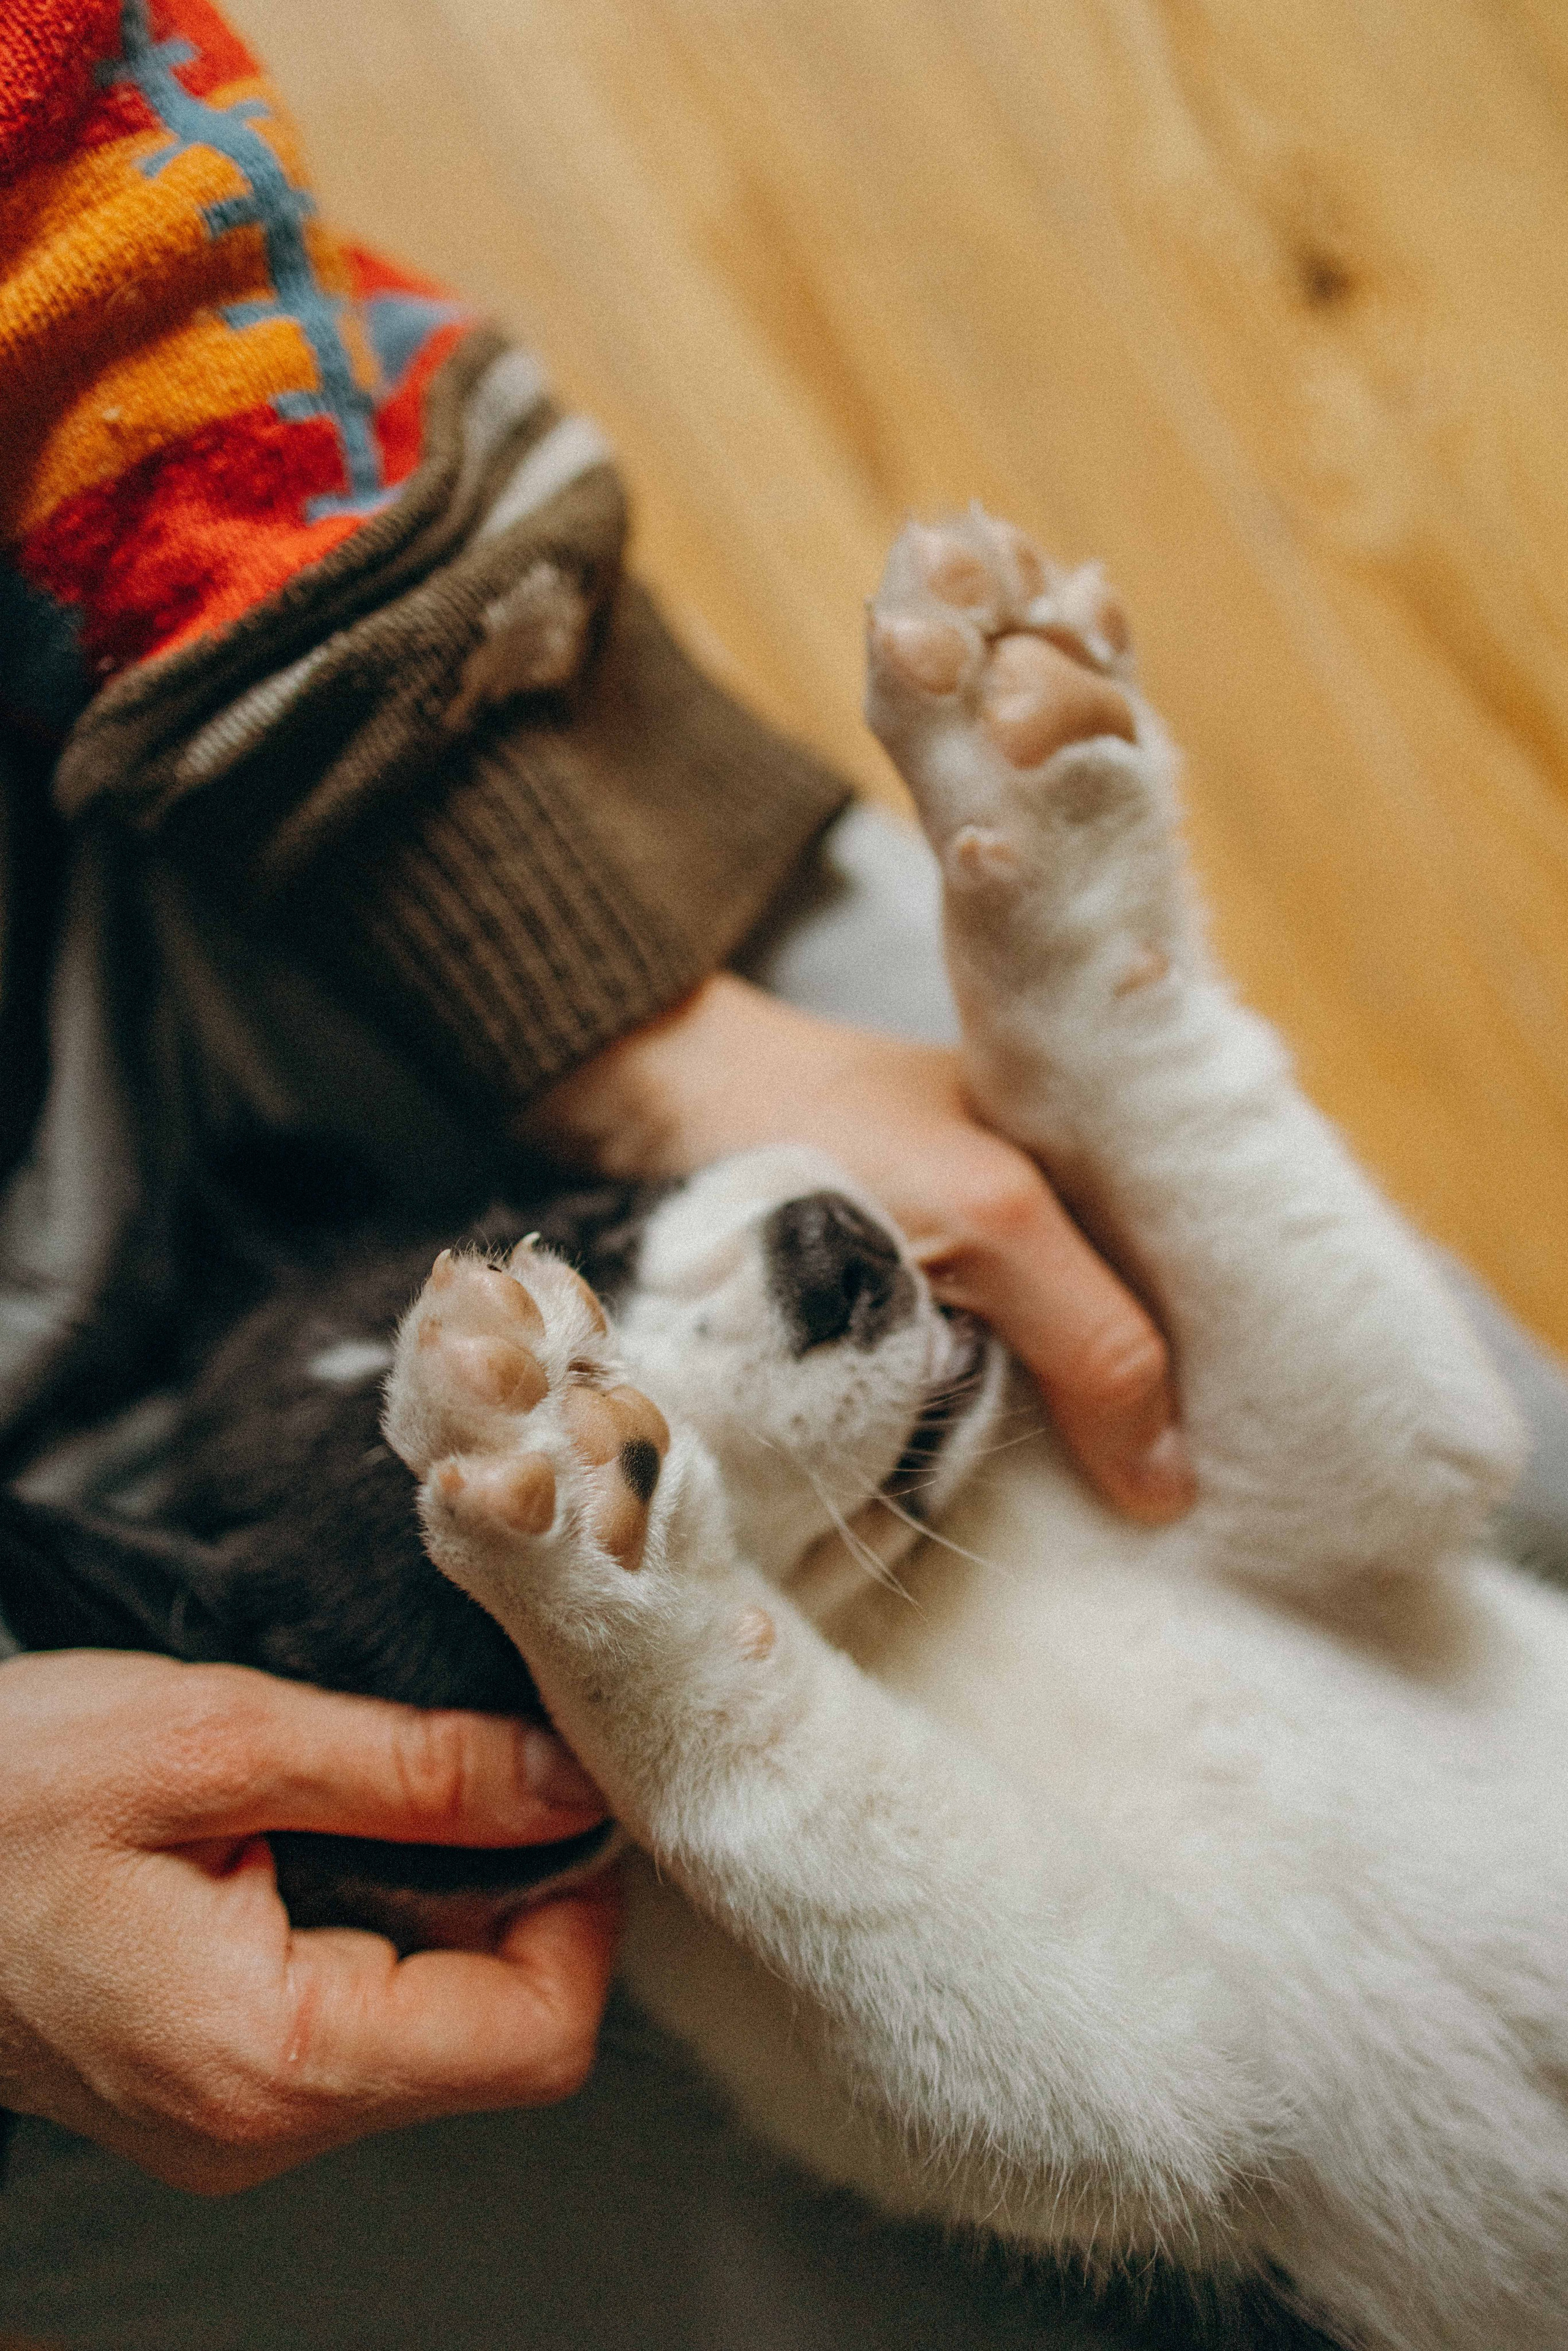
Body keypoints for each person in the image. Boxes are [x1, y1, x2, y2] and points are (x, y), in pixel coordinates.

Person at [0, 0, 1193, 2211]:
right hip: (153, 1780)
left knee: (1468, 1505)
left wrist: (618, 1005)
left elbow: (67, 135)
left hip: (275, 767)